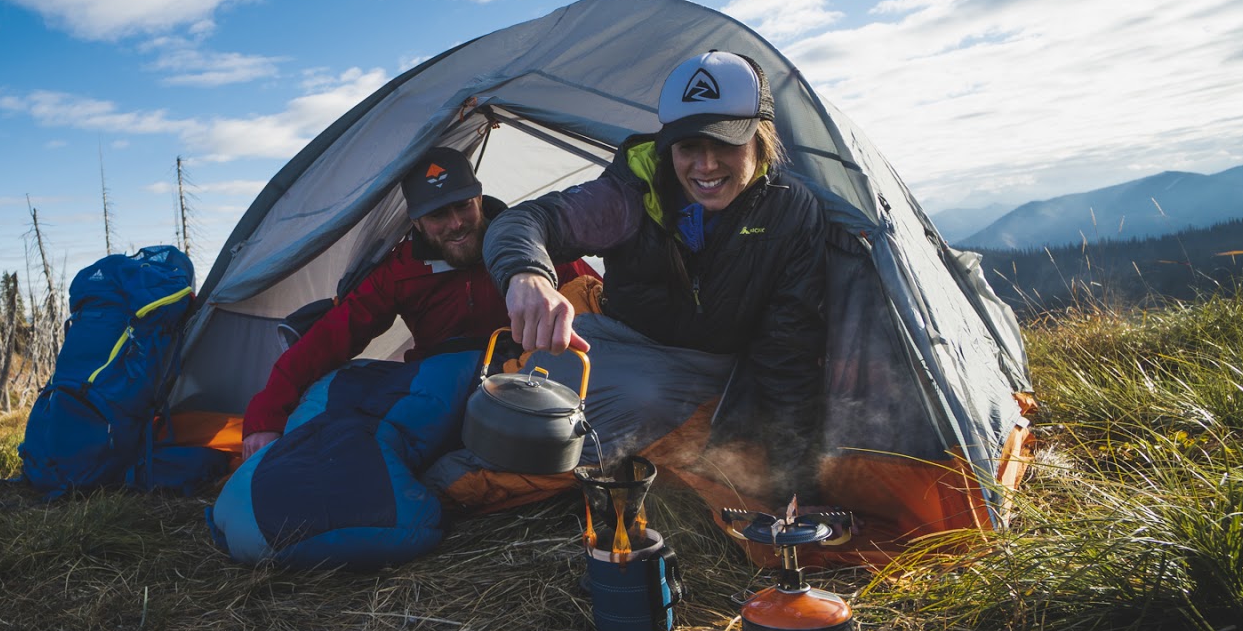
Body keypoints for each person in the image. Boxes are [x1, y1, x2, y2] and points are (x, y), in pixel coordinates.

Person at [482, 50, 827, 490]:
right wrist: (526, 275)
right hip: (621, 342)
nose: (705, 166)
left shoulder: (790, 212)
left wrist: (795, 484)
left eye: (725, 143)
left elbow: (790, 348)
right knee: (511, 413)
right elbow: (524, 221)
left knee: (614, 414)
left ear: (761, 139)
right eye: (689, 147)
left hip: (699, 370)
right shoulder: (632, 194)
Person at [240, 146, 594, 459]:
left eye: (463, 206)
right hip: (438, 391)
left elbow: (595, 293)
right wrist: (266, 415)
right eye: (438, 215)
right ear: (417, 223)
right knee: (340, 407)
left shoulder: (527, 247)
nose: (456, 224)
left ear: (480, 199)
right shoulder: (401, 271)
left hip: (523, 387)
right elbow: (330, 338)